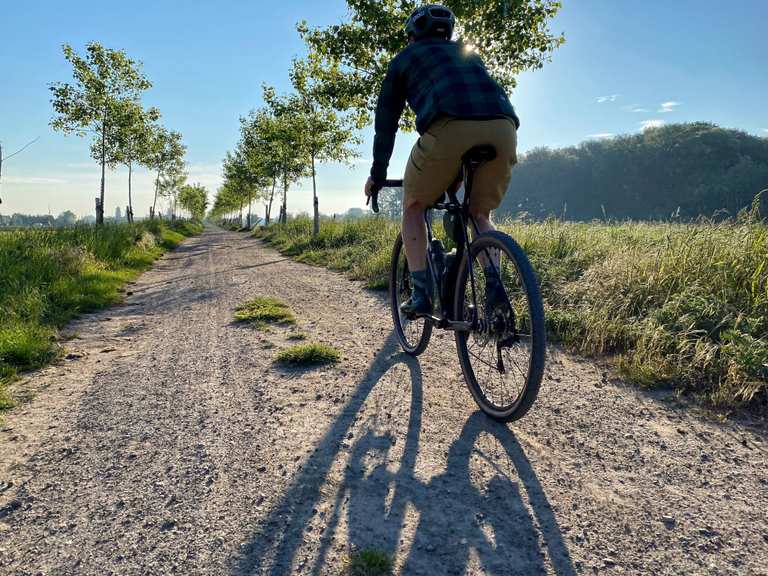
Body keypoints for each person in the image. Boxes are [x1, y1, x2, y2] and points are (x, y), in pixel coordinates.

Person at [365, 4, 520, 316]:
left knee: (413, 205)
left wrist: (377, 174)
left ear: (412, 35)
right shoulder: (469, 53)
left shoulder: (404, 59)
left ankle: (420, 295)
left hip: (449, 127)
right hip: (504, 129)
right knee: (478, 214)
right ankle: (495, 289)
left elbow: (386, 123)